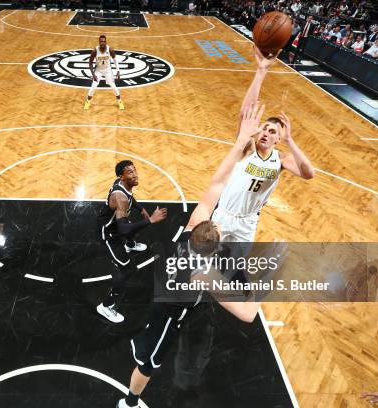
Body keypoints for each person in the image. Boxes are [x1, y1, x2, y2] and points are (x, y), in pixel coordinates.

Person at [116, 102, 269, 408]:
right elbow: (248, 315)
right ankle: (129, 402)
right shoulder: (205, 274)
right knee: (149, 365)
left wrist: (241, 142)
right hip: (170, 315)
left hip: (165, 291)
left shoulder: (188, 233)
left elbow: (216, 184)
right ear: (212, 250)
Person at [211, 46, 315, 243]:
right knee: (205, 263)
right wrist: (261, 71)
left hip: (248, 222)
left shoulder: (282, 159)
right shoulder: (248, 149)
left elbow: (309, 174)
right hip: (224, 216)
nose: (266, 133)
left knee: (233, 268)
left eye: (272, 131)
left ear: (278, 138)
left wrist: (290, 141)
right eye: (264, 128)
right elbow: (246, 113)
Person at [95, 160, 167, 323]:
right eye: (130, 172)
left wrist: (140, 209)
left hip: (114, 223)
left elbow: (130, 198)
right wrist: (150, 221)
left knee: (129, 222)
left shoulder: (122, 185)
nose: (135, 175)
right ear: (122, 176)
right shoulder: (120, 199)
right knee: (126, 271)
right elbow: (122, 230)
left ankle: (130, 245)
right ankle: (106, 306)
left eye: (135, 170)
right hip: (110, 234)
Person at [84, 35, 125, 111]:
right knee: (93, 86)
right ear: (99, 42)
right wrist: (93, 74)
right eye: (101, 41)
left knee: (113, 86)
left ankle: (120, 102)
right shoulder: (95, 51)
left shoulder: (110, 50)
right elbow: (90, 63)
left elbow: (115, 60)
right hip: (98, 70)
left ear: (106, 42)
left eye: (104, 41)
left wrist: (118, 71)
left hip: (108, 70)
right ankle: (87, 102)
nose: (102, 43)